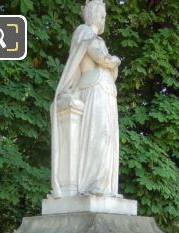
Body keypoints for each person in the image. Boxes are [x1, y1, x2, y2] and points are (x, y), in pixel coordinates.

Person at [51, 0, 120, 198]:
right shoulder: (83, 31)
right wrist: (112, 61)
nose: (104, 17)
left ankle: (106, 186)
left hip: (107, 89)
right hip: (93, 88)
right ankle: (93, 183)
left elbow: (105, 61)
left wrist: (110, 62)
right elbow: (98, 56)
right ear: (91, 13)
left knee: (108, 137)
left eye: (105, 13)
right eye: (101, 12)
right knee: (97, 134)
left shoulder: (99, 40)